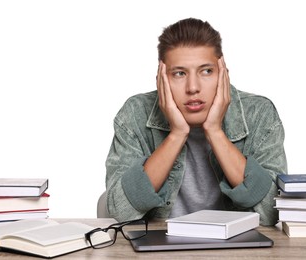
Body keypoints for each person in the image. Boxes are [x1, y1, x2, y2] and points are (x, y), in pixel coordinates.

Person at [104, 18, 287, 226]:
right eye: (179, 73)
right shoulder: (135, 114)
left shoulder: (259, 114)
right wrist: (176, 134)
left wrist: (215, 132)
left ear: (223, 75)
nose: (193, 87)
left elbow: (273, 212)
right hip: (160, 250)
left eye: (206, 71)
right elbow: (119, 211)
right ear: (161, 78)